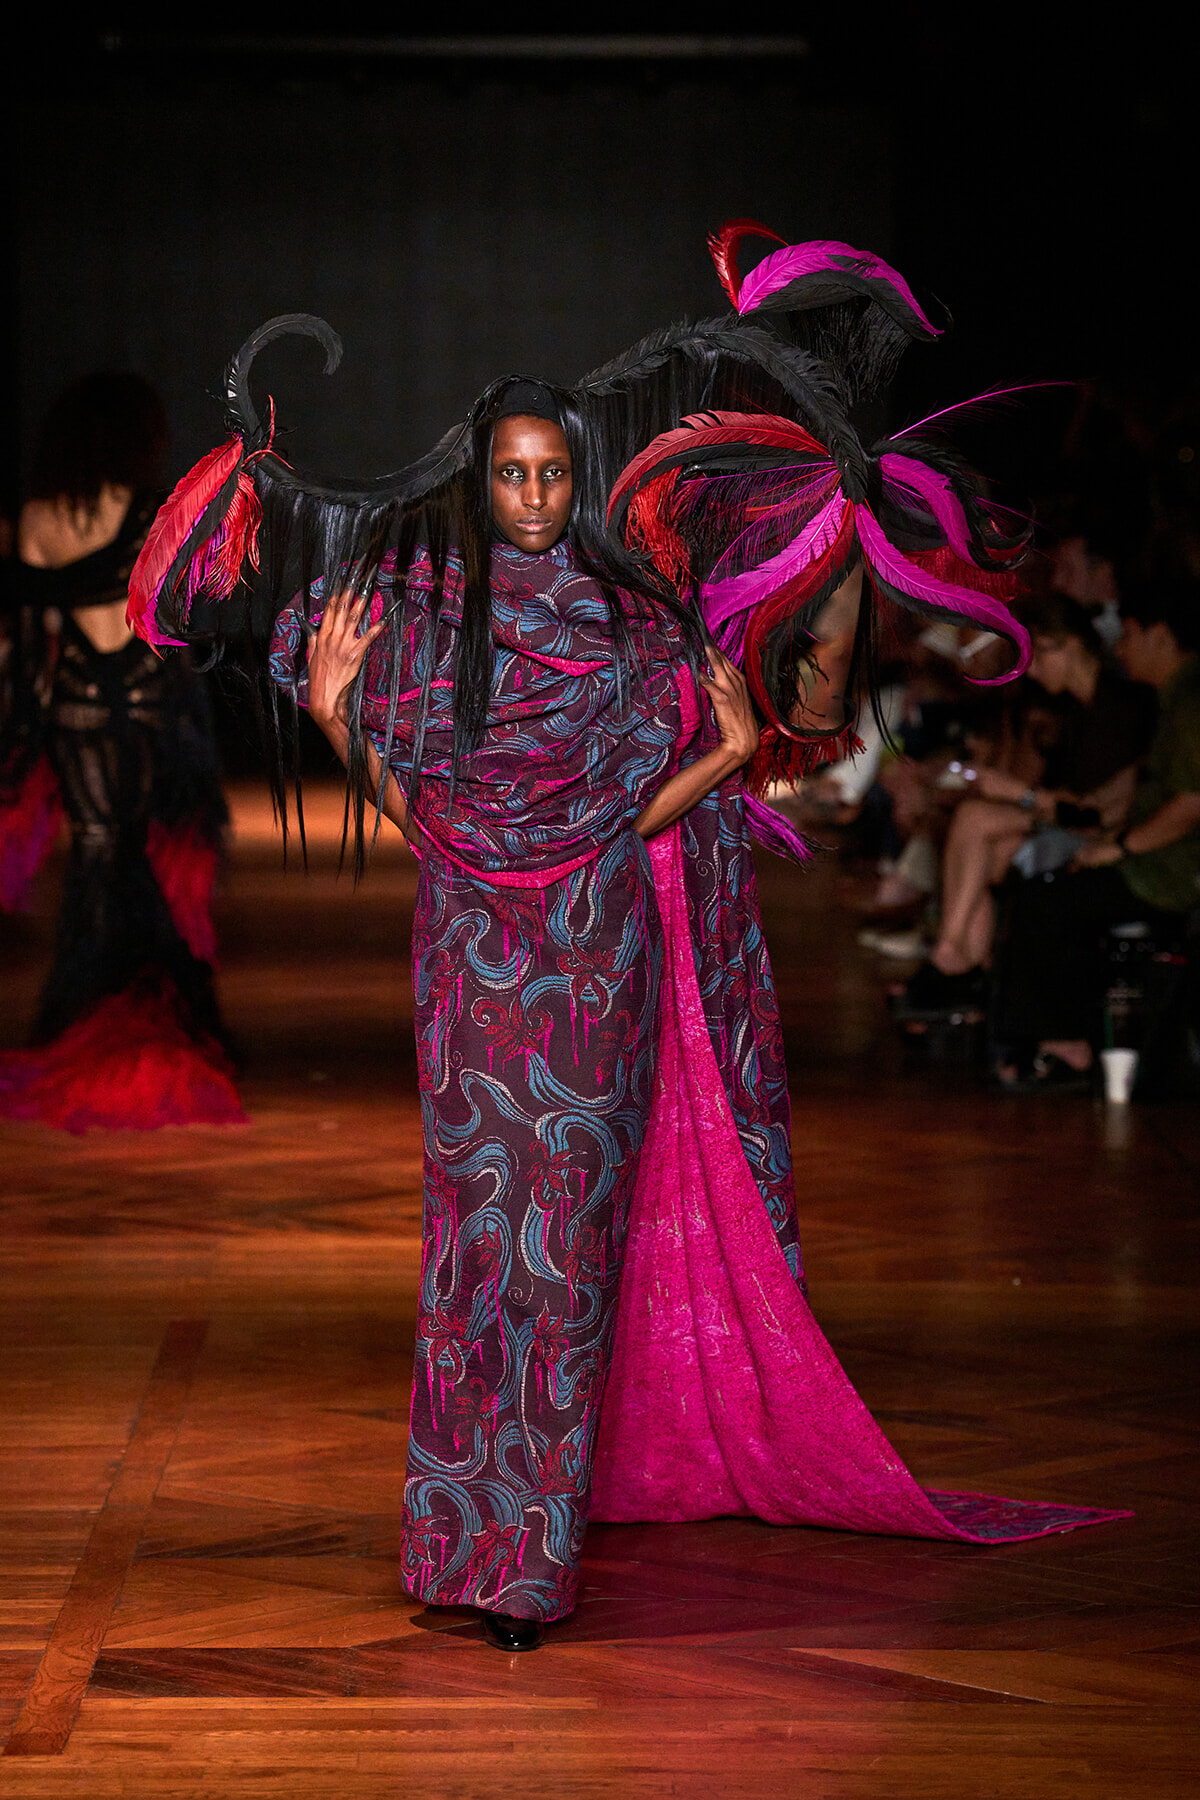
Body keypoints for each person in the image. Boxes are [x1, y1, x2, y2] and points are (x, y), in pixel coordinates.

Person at [129, 227, 1126, 1650]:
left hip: (595, 966)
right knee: (478, 1254)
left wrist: (724, 754)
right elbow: (425, 824)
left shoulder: (631, 630)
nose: (533, 493)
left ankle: (527, 1571)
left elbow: (630, 817)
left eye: (551, 472)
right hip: (474, 971)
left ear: (576, 480)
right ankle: (457, 1549)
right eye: (511, 473)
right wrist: (347, 717)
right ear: (482, 482)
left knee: (570, 1256)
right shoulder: (426, 625)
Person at [0, 374, 242, 1132]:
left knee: (99, 856)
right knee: (147, 856)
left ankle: (88, 1018)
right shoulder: (148, 516)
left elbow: (24, 635)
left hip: (74, 706)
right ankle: (161, 1026)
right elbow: (181, 615)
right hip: (148, 703)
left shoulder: (35, 520)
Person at [898, 593, 1155, 1015]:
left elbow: (1096, 811)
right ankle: (960, 965)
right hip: (1066, 825)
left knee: (977, 820)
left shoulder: (1121, 708)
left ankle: (954, 960)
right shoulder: (1070, 710)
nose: (1031, 670)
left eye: (1038, 656)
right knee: (987, 843)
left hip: (1107, 835)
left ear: (1070, 644)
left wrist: (1019, 795)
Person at [992, 580, 1200, 1086]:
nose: (1122, 648)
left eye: (1129, 635)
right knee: (1050, 890)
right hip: (1151, 858)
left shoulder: (1188, 699)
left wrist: (1118, 847)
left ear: (1160, 635)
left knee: (1050, 900)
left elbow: (1190, 802)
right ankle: (1050, 1034)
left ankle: (1063, 1041)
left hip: (1168, 872)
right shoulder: (1171, 701)